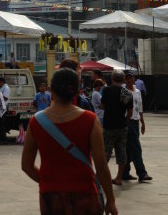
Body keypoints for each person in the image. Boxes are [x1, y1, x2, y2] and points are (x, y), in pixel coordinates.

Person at [22, 68, 118, 215]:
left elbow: (26, 166)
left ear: (51, 90)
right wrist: (111, 200)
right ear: (77, 91)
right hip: (85, 193)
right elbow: (101, 165)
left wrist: (49, 182)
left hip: (50, 196)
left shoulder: (36, 122)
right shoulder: (90, 120)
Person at [101, 70, 133, 186]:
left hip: (109, 126)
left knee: (105, 153)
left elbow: (102, 105)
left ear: (112, 78)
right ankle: (119, 178)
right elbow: (130, 111)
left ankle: (102, 178)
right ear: (123, 79)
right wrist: (126, 122)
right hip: (122, 126)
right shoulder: (128, 93)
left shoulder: (107, 90)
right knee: (121, 152)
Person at [123, 72, 152, 182]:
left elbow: (140, 108)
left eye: (131, 79)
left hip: (135, 122)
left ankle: (125, 173)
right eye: (127, 79)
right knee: (136, 149)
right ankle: (142, 173)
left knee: (128, 150)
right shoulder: (124, 92)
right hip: (128, 122)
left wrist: (142, 122)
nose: (130, 81)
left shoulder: (138, 91)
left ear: (134, 79)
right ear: (125, 80)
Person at [0, 77, 11, 143]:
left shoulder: (6, 88)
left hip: (3, 108)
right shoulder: (1, 88)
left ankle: (3, 139)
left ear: (2, 82)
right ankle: (0, 138)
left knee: (1, 123)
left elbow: (6, 98)